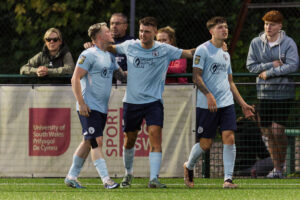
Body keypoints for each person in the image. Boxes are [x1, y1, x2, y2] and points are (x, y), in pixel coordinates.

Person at [108, 16, 195, 188]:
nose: (143, 34)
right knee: (129, 140)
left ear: (155, 32)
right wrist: (94, 45)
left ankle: (154, 179)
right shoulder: (130, 45)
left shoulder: (164, 49)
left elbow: (189, 53)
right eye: (141, 31)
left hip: (154, 102)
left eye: (147, 32)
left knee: (155, 138)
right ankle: (128, 173)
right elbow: (110, 48)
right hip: (132, 102)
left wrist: (211, 46)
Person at [183, 16, 255, 189]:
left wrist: (243, 104)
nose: (225, 30)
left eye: (226, 27)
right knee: (205, 144)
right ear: (211, 31)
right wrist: (208, 95)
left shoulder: (225, 53)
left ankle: (228, 180)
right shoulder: (203, 50)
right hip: (207, 104)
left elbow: (230, 82)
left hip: (226, 103)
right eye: (220, 27)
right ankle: (189, 166)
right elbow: (196, 77)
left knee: (229, 137)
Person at [64, 22, 126, 189]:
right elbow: (75, 78)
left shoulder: (110, 55)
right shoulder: (89, 54)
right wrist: (82, 103)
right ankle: (106, 180)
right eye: (107, 31)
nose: (111, 32)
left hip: (101, 108)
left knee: (88, 141)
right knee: (96, 141)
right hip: (89, 106)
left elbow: (122, 75)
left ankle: (71, 176)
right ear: (99, 37)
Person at [246, 10, 299, 178]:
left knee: (277, 131)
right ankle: (276, 169)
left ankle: (281, 165)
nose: (268, 27)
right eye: (266, 23)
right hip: (263, 94)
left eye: (272, 24)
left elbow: (293, 65)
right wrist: (272, 65)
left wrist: (270, 73)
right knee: (268, 133)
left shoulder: (289, 43)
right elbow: (251, 66)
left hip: (284, 94)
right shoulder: (255, 43)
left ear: (280, 26)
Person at [84, 13, 133, 83]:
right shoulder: (102, 42)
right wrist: (90, 48)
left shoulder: (132, 43)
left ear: (125, 26)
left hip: (125, 83)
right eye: (112, 23)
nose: (114, 26)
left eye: (117, 23)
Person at [234, 111, 274, 178]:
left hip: (234, 168)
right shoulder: (252, 128)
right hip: (248, 168)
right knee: (274, 160)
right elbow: (262, 154)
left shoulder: (236, 126)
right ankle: (253, 172)